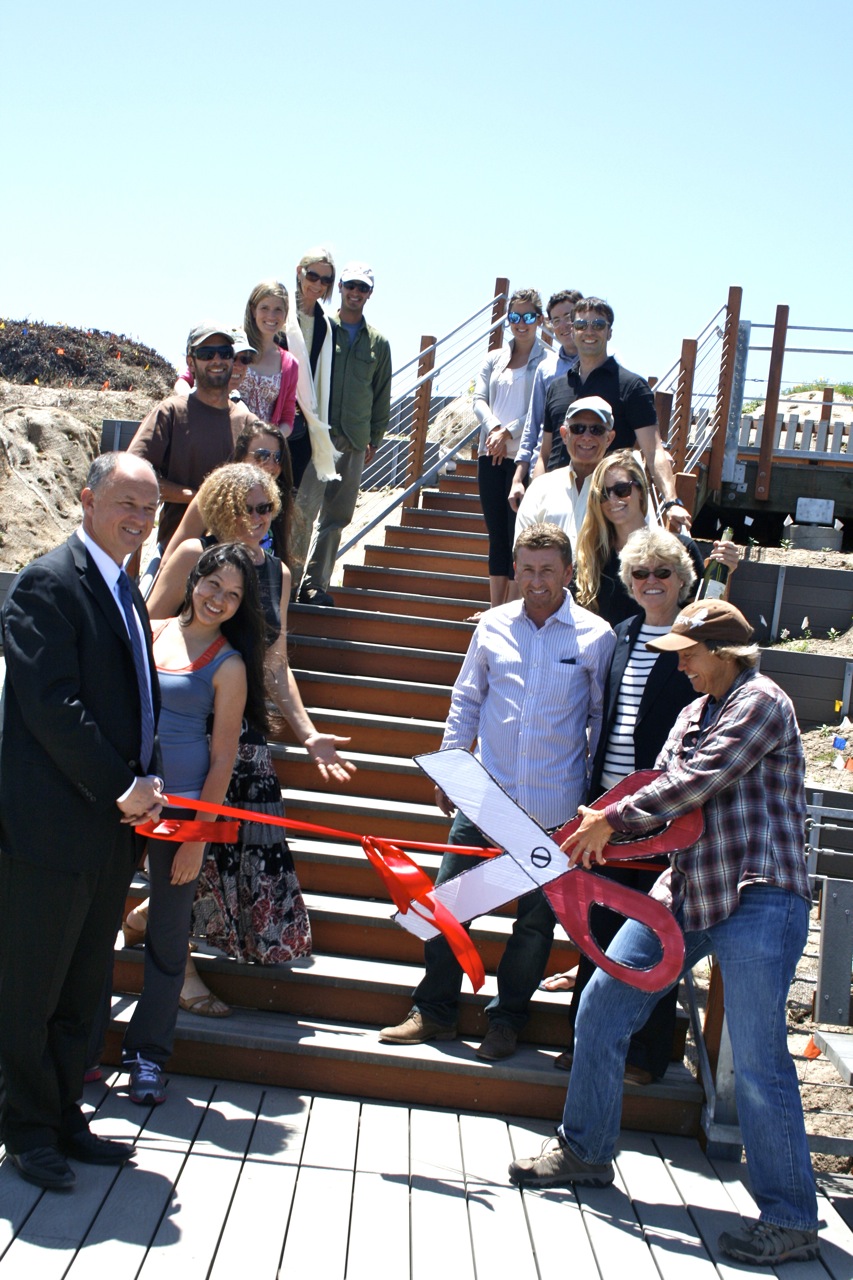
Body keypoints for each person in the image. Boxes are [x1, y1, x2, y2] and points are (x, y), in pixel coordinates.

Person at [509, 599, 821, 1269]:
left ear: (726, 653)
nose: (679, 665)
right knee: (600, 1008)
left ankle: (791, 1217)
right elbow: (659, 795)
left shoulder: (761, 701)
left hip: (759, 892)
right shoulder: (690, 714)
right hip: (685, 891)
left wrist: (608, 820)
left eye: (689, 653)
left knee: (759, 1059)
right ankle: (586, 1150)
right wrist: (598, 830)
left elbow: (691, 784)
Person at [380, 523, 615, 1062]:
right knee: (449, 906)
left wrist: (595, 800)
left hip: (554, 809)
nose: (536, 581)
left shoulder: (596, 636)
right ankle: (434, 1011)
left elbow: (600, 719)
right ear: (515, 569)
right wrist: (450, 767)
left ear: (568, 572)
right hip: (484, 797)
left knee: (533, 926)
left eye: (547, 570)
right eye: (527, 569)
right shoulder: (492, 625)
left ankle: (507, 1022)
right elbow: (467, 699)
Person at [0, 453, 163, 1191]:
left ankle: (64, 1112)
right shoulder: (48, 583)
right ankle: (25, 1128)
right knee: (30, 989)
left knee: (82, 988)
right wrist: (124, 786)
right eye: (128, 502)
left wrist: (142, 788)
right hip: (49, 833)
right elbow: (52, 708)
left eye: (150, 508)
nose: (141, 519)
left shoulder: (125, 588)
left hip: (107, 833)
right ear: (86, 499)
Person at [146, 462, 354, 972]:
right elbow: (149, 626)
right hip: (190, 724)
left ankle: (145, 926)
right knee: (186, 852)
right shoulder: (195, 556)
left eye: (266, 507)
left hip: (244, 734)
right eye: (247, 508)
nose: (258, 517)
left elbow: (275, 664)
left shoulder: (277, 572)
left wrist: (308, 735)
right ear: (221, 510)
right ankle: (180, 970)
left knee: (243, 849)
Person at [122, 543, 267, 1104]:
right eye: (213, 585)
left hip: (181, 814)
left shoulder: (229, 664)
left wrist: (198, 840)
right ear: (194, 579)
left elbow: (223, 756)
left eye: (233, 595)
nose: (219, 600)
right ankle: (79, 1051)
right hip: (122, 800)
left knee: (167, 940)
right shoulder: (150, 631)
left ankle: (147, 1057)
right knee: (89, 929)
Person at [553, 528, 700, 1082]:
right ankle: (584, 1041)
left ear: (682, 579)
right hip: (603, 811)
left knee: (654, 929)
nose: (651, 582)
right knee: (598, 922)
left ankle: (645, 1053)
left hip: (660, 813)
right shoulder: (620, 635)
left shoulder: (693, 641)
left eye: (663, 572)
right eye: (640, 573)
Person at [540, 297, 691, 533]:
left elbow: (653, 450)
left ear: (609, 332)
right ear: (573, 331)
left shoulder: (632, 386)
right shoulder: (557, 387)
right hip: (558, 503)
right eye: (581, 325)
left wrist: (671, 501)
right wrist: (536, 495)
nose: (589, 331)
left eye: (598, 325)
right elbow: (545, 453)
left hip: (608, 506)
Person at [293, 262, 392, 606]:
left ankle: (315, 586)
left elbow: (381, 394)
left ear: (370, 293)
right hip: (316, 437)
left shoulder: (379, 343)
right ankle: (289, 583)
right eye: (350, 285)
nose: (355, 293)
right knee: (302, 513)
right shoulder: (321, 328)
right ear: (340, 288)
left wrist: (374, 438)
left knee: (336, 518)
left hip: (354, 441)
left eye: (362, 288)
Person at [128, 323, 259, 549]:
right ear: (191, 362)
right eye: (207, 354)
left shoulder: (249, 423)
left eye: (225, 353)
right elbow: (133, 475)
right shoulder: (170, 412)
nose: (217, 360)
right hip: (175, 547)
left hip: (235, 551)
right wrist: (198, 497)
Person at [574, 450, 739, 627]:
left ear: (640, 490)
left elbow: (703, 610)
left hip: (665, 644)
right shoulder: (590, 557)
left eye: (622, 490)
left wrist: (725, 569)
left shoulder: (680, 548)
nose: (612, 499)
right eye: (603, 494)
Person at [473, 288, 550, 609]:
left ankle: (513, 607)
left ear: (540, 319)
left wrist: (508, 432)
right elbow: (479, 400)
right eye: (514, 316)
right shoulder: (494, 358)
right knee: (496, 534)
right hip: (489, 453)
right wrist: (494, 429)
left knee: (517, 533)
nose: (521, 323)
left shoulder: (547, 360)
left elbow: (538, 409)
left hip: (523, 459)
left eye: (528, 316)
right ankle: (495, 609)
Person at [158, 419, 295, 569]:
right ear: (241, 457)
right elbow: (170, 561)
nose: (271, 465)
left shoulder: (278, 501)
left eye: (277, 457)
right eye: (262, 455)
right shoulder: (214, 496)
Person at [508, 288, 583, 507]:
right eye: (556, 320)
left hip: (587, 472)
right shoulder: (546, 368)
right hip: (545, 471)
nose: (563, 325)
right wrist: (518, 478)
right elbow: (533, 426)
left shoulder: (602, 365)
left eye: (569, 317)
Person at [514, 397, 616, 548]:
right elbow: (522, 551)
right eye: (577, 428)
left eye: (596, 430)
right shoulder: (540, 488)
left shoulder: (624, 491)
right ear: (564, 435)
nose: (587, 437)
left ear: (609, 438)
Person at [283, 247, 339, 491]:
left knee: (290, 493)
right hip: (273, 414)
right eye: (313, 276)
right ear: (300, 272)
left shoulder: (328, 327)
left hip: (306, 423)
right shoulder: (278, 312)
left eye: (325, 280)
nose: (318, 284)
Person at [239, 280, 299, 433]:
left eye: (278, 309)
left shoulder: (289, 364)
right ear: (253, 310)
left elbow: (287, 417)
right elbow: (190, 379)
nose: (271, 316)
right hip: (223, 439)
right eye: (264, 308)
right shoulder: (233, 345)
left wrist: (272, 439)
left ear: (285, 314)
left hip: (262, 446)